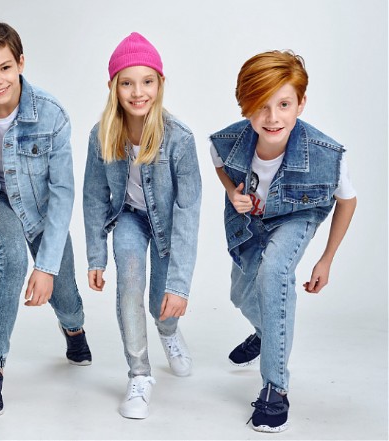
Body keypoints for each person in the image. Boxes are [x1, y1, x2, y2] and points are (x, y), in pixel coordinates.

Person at [0, 20, 92, 416]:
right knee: (11, 261)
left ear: (21, 63)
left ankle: (74, 327)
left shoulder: (51, 115)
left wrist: (46, 266)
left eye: (5, 67)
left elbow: (63, 192)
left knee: (65, 294)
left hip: (43, 208)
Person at [210, 50, 357, 432]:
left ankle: (275, 389)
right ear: (245, 106)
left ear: (301, 104)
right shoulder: (228, 141)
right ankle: (266, 334)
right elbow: (219, 165)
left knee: (273, 274)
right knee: (239, 295)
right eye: (261, 105)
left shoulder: (326, 155)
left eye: (284, 104)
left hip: (296, 217)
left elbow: (347, 200)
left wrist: (326, 259)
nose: (272, 117)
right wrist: (231, 191)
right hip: (250, 223)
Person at [83, 32, 201, 419]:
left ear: (160, 84)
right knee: (129, 285)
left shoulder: (180, 139)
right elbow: (94, 197)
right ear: (113, 87)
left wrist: (179, 286)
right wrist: (96, 256)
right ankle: (139, 375)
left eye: (147, 81)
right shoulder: (101, 135)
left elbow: (188, 211)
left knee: (161, 304)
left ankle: (168, 331)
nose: (138, 92)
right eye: (127, 83)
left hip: (169, 224)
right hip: (129, 218)